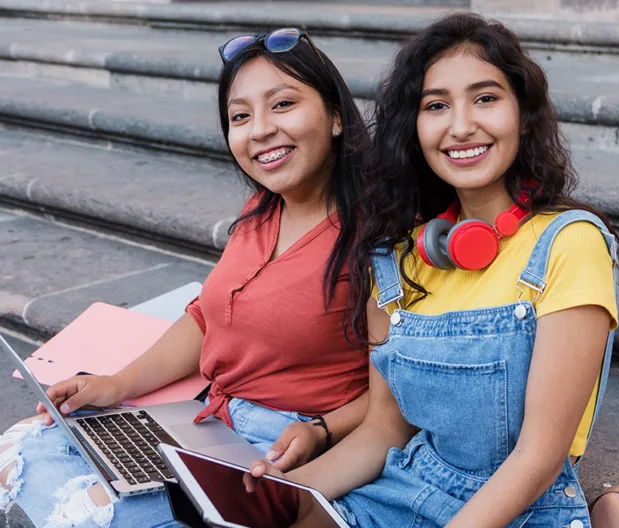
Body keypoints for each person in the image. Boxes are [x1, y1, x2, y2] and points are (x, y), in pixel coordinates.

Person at [250, 14, 619, 527]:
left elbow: (539, 457)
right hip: (404, 490)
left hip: (519, 510)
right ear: (415, 127)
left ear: (524, 116)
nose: (461, 125)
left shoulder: (570, 243)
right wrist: (279, 497)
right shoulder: (398, 257)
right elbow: (384, 431)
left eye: (486, 98)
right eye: (436, 106)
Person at [0, 28, 370, 527]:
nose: (258, 130)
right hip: (209, 422)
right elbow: (207, 317)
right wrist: (114, 384)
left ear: (336, 117)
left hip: (284, 447)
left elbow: (409, 393)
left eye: (282, 105)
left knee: (98, 514)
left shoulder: (376, 236)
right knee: (24, 444)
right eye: (240, 116)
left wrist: (324, 431)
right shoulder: (264, 208)